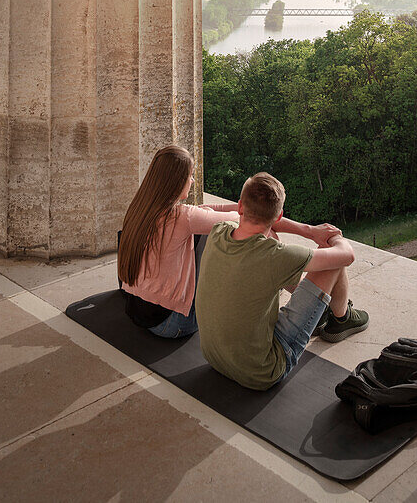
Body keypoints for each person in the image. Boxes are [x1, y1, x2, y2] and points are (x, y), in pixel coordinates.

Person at [195, 172, 369, 390]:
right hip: (261, 371)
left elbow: (248, 218)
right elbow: (347, 255)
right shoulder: (275, 255)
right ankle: (341, 319)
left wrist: (308, 231)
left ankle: (325, 313)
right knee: (330, 258)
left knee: (271, 240)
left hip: (214, 357)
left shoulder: (219, 231)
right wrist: (332, 235)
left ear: (240, 207)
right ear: (278, 216)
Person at [117, 144, 240, 338]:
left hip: (137, 309)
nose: (192, 181)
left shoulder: (140, 207)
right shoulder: (181, 217)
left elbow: (200, 211)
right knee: (219, 232)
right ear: (177, 180)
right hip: (172, 324)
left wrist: (208, 212)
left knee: (204, 225)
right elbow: (238, 220)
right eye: (190, 176)